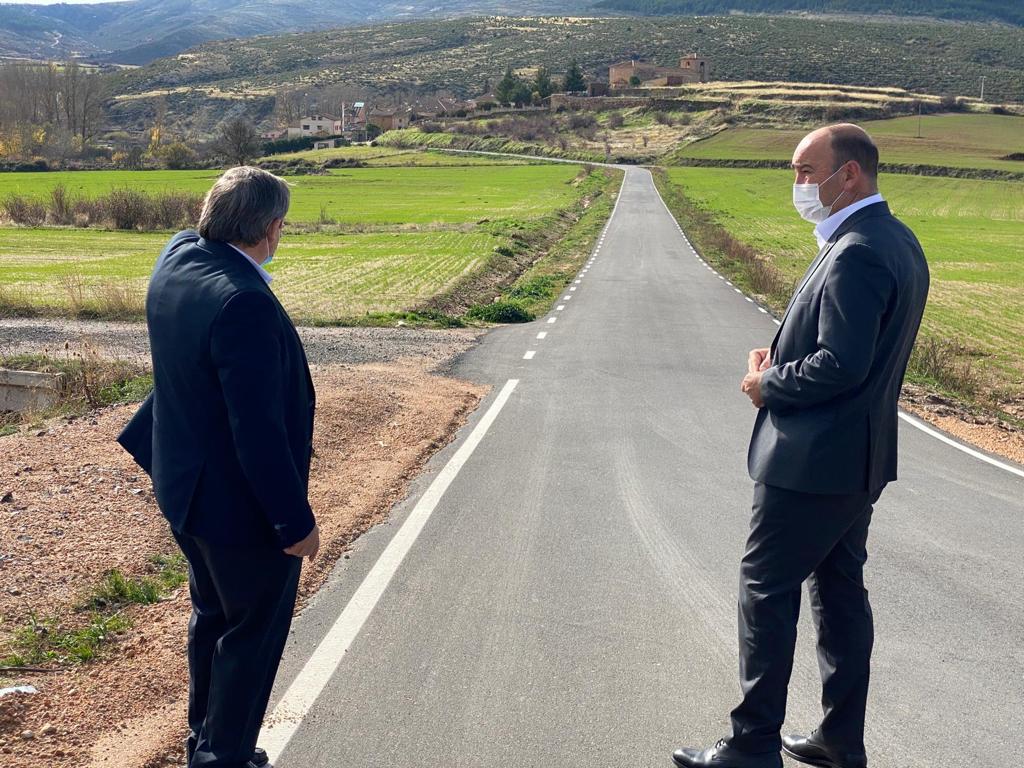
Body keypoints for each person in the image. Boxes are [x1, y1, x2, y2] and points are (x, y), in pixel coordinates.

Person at [672, 125, 929, 768]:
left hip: (813, 462)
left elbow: (842, 364)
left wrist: (768, 383)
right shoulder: (894, 240)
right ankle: (840, 740)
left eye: (806, 171)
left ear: (850, 175)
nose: (798, 184)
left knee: (766, 589)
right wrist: (783, 355)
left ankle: (752, 744)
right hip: (857, 459)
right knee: (838, 594)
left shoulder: (857, 251)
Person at [118, 166, 319, 768]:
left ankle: (205, 745)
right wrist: (293, 523)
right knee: (252, 635)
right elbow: (256, 433)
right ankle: (223, 757)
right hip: (237, 510)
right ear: (272, 228)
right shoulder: (244, 303)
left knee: (213, 617)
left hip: (184, 487)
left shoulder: (178, 257)